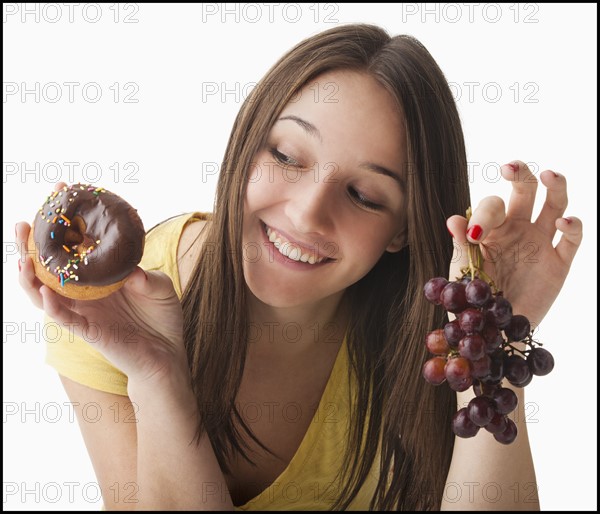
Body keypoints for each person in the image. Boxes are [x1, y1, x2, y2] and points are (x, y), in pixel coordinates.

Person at [16, 23, 582, 511]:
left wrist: (488, 343)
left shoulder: (434, 329)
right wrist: (157, 376)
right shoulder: (110, 306)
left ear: (403, 232)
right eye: (285, 156)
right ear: (245, 142)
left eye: (363, 195)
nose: (307, 214)